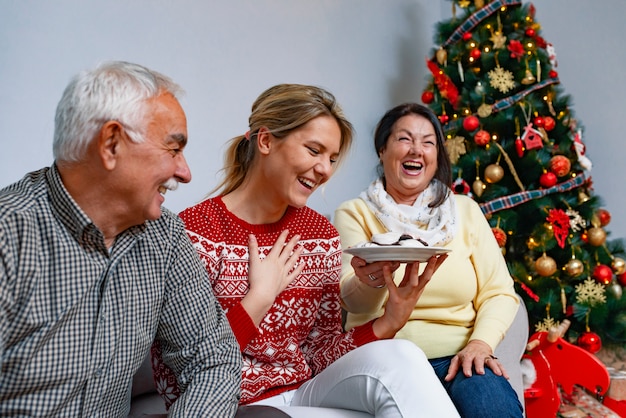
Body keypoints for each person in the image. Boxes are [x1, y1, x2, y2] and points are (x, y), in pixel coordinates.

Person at [152, 84, 460, 417]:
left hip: (305, 393)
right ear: (266, 141)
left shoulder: (319, 235)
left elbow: (319, 352)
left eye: (331, 158)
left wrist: (388, 322)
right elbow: (183, 372)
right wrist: (259, 298)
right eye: (314, 150)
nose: (326, 169)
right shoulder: (196, 233)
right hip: (227, 404)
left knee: (403, 355)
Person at [0, 61, 242, 417]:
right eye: (173, 149)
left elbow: (212, 359)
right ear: (111, 144)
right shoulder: (10, 235)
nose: (185, 173)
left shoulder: (167, 239)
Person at [334, 103, 523, 417]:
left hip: (460, 358)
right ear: (382, 149)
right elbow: (351, 302)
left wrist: (480, 344)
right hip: (384, 357)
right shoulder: (355, 213)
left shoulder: (464, 211)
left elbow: (500, 292)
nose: (416, 150)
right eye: (404, 139)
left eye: (428, 142)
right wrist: (375, 275)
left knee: (494, 408)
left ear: (437, 157)